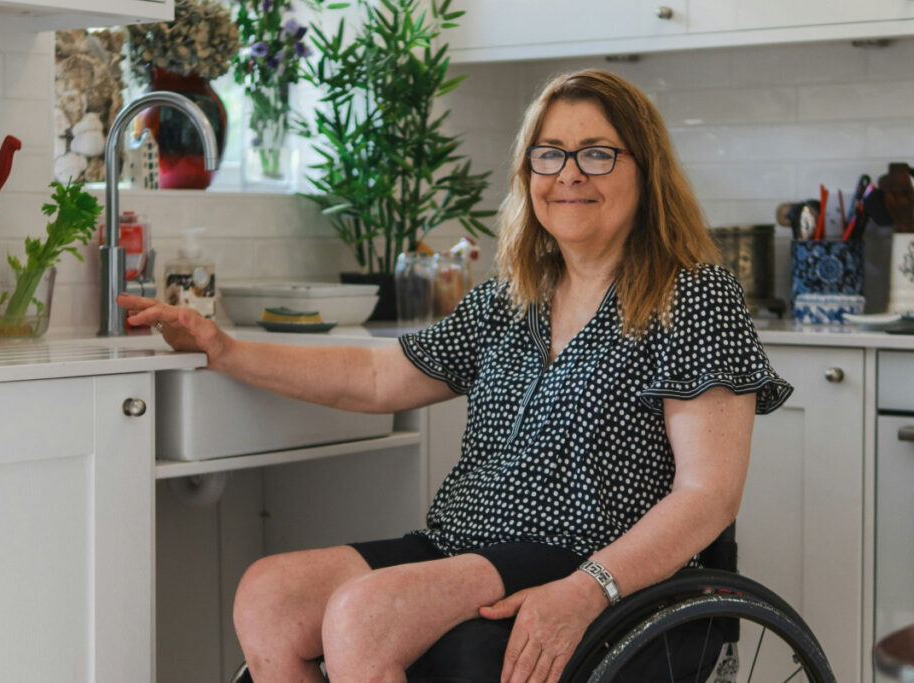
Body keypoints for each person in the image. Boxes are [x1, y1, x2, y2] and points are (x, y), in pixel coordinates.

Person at [119, 68, 793, 683]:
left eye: (597, 153)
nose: (569, 174)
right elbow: (379, 377)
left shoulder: (695, 297)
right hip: (463, 542)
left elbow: (708, 496)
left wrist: (588, 586)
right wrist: (226, 349)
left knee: (363, 616)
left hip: (588, 553)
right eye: (549, 154)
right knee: (270, 596)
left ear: (645, 172)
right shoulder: (509, 299)